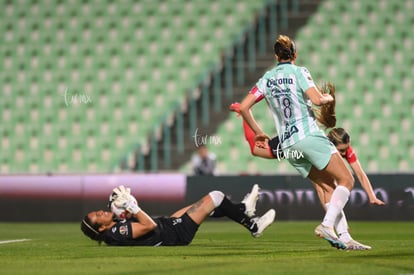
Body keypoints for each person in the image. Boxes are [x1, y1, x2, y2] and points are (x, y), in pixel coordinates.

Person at [238, 34, 355, 250]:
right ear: (295, 54)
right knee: (347, 180)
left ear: (276, 56)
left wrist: (259, 132)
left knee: (327, 185)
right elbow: (318, 100)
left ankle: (345, 237)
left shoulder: (266, 79)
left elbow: (244, 107)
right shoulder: (299, 72)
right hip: (308, 135)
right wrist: (329, 98)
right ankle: (327, 225)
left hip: (288, 145)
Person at [230, 100, 384, 250]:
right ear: (331, 144)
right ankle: (339, 233)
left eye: (346, 149)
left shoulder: (340, 149)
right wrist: (331, 217)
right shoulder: (322, 147)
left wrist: (371, 195)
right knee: (329, 187)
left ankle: (342, 235)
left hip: (294, 144)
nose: (344, 153)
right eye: (341, 150)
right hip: (296, 146)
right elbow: (320, 189)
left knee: (330, 187)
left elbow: (360, 173)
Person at [80, 184, 276, 246]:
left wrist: (130, 208)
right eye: (99, 216)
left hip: (169, 226)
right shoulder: (116, 231)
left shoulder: (114, 232)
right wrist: (131, 206)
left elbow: (142, 225)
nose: (102, 212)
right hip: (173, 233)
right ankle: (254, 226)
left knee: (206, 206)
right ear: (101, 228)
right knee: (215, 197)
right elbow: (149, 226)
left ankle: (243, 210)